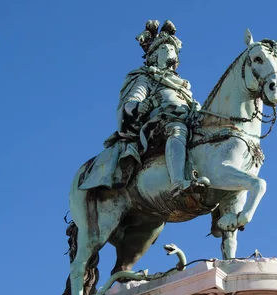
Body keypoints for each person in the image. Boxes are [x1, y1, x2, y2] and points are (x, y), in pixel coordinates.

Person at [79, 20, 208, 194]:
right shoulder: (146, 78)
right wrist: (141, 106)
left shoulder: (182, 85)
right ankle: (178, 183)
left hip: (187, 118)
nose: (171, 52)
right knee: (177, 130)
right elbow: (131, 102)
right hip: (158, 124)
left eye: (173, 50)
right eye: (165, 49)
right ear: (153, 56)